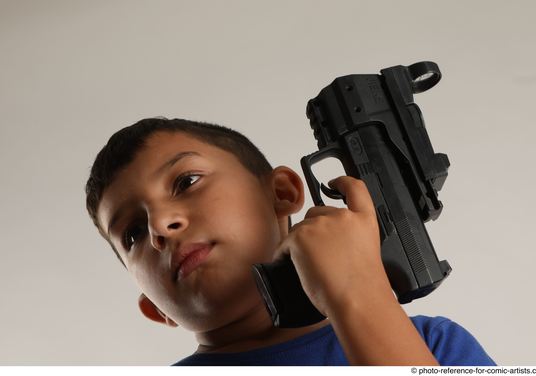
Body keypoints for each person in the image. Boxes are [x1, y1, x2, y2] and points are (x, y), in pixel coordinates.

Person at [85, 117, 495, 366]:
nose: (160, 224)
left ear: (281, 193)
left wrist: (360, 294)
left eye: (186, 182)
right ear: (154, 309)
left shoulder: (436, 345)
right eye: (134, 233)